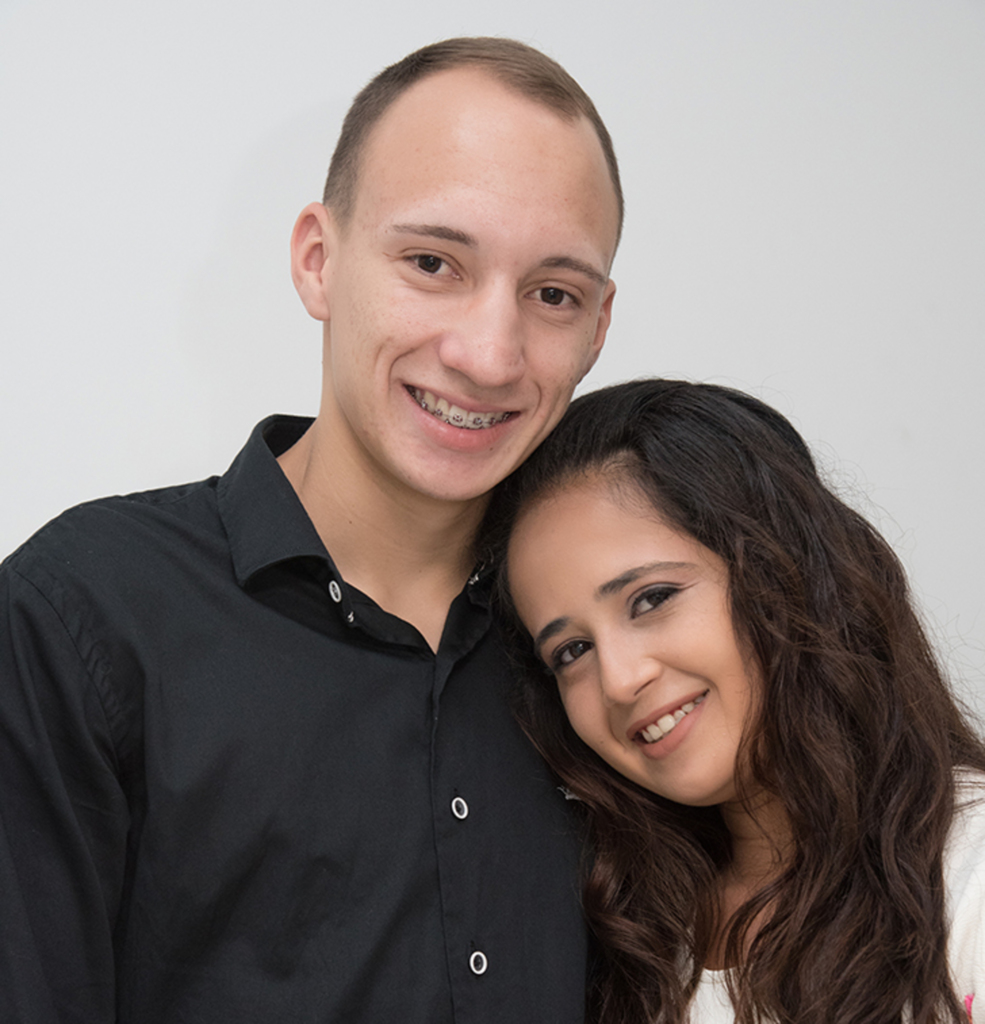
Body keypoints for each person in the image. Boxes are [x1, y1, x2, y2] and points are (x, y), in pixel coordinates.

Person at [0, 38, 620, 1022]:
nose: (489, 354)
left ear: (597, 327)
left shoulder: (615, 650)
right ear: (318, 262)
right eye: (433, 262)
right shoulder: (80, 618)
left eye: (552, 294)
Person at [486, 378, 985, 1024]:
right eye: (571, 651)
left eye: (651, 599)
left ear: (785, 572)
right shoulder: (626, 932)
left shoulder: (967, 877)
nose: (618, 680)